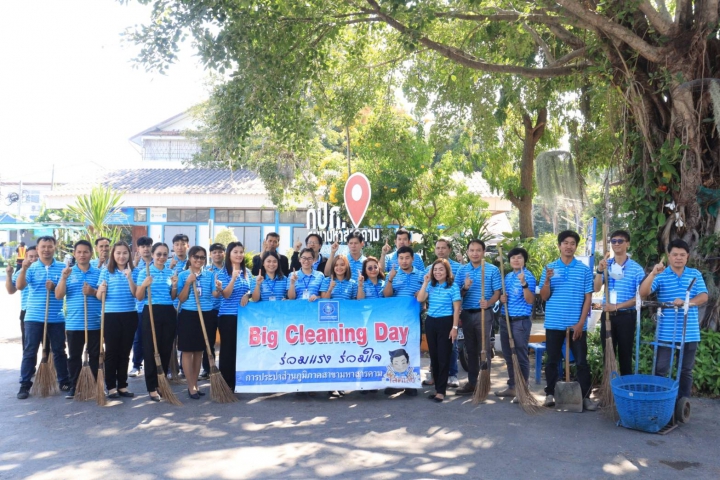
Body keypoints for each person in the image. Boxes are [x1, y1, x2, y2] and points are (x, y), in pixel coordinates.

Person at [639, 239, 708, 400]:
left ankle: (682, 403)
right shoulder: (661, 275)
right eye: (675, 254)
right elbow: (643, 293)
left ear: (687, 256)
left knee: (685, 370)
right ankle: (660, 401)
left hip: (689, 332)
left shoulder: (695, 274)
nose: (678, 258)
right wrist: (653, 273)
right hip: (666, 332)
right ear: (668, 256)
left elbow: (704, 296)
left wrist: (687, 302)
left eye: (682, 255)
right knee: (661, 369)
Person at [538, 230, 597, 411]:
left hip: (576, 324)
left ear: (576, 247)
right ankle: (550, 393)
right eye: (565, 243)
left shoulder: (584, 270)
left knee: (581, 362)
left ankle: (585, 397)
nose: (569, 246)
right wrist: (547, 281)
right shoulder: (549, 268)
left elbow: (588, 298)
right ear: (559, 245)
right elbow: (544, 297)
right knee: (552, 360)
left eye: (572, 243)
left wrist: (581, 323)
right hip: (554, 322)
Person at [15, 236, 70, 399]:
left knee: (59, 350)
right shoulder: (31, 268)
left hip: (56, 318)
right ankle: (25, 384)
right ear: (37, 249)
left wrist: (54, 287)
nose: (46, 249)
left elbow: (63, 292)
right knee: (30, 350)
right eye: (43, 247)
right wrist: (23, 269)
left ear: (55, 248)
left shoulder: (62, 268)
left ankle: (64, 381)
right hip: (33, 317)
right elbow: (20, 286)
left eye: (49, 246)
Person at [593, 230, 645, 376]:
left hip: (626, 316)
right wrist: (599, 271)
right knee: (608, 353)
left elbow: (640, 298)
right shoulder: (606, 265)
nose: (616, 244)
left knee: (625, 355)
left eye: (620, 241)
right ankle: (609, 386)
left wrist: (616, 306)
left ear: (627, 244)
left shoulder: (636, 269)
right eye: (613, 241)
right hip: (607, 316)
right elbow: (596, 288)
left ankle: (625, 387)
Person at [54, 240, 101, 399]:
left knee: (95, 355)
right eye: (79, 252)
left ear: (91, 254)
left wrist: (92, 291)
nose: (82, 255)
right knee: (74, 357)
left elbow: (104, 296)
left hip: (94, 323)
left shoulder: (99, 273)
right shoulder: (68, 272)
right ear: (74, 254)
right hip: (74, 323)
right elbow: (58, 295)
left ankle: (94, 385)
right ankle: (74, 386)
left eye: (85, 252)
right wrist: (63, 279)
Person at [454, 239, 501, 395]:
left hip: (484, 313)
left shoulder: (492, 270)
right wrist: (465, 287)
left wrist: (488, 303)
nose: (475, 253)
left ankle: (484, 383)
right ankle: (473, 383)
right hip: (467, 313)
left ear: (483, 252)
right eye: (472, 250)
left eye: (478, 250)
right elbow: (456, 294)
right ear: (467, 252)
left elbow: (497, 293)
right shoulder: (462, 271)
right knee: (471, 349)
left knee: (484, 348)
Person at [135, 242, 178, 402]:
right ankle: (151, 386)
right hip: (151, 310)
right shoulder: (144, 272)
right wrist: (144, 285)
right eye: (158, 254)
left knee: (166, 348)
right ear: (152, 255)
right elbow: (139, 297)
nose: (161, 257)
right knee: (151, 349)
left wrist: (175, 285)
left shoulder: (170, 272)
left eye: (165, 254)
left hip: (168, 311)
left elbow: (172, 297)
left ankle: (161, 382)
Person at [96, 241, 137, 399]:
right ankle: (111, 386)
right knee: (112, 352)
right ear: (113, 254)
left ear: (129, 255)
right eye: (118, 253)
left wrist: (129, 278)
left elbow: (136, 294)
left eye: (125, 253)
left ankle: (122, 385)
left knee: (125, 352)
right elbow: (99, 297)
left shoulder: (135, 271)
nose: (121, 256)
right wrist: (101, 290)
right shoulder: (106, 271)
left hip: (130, 315)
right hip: (111, 316)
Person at [495, 247, 536, 402]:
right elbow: (504, 298)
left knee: (520, 355)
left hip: (520, 322)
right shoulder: (508, 277)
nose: (516, 260)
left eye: (519, 257)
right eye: (513, 258)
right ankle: (512, 386)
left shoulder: (528, 276)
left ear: (524, 260)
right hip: (505, 320)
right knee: (508, 355)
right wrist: (502, 299)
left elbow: (530, 300)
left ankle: (523, 390)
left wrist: (524, 283)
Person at [417, 259, 461, 403]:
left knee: (443, 357)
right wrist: (425, 282)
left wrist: (454, 328)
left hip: (446, 322)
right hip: (431, 322)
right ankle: (437, 388)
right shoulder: (431, 285)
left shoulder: (453, 286)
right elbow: (420, 299)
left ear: (447, 271)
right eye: (435, 270)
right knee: (434, 357)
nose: (437, 272)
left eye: (441, 269)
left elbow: (457, 309)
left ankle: (441, 392)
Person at [382, 245, 424, 397]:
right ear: (397, 259)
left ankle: (410, 383)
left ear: (412, 259)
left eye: (407, 258)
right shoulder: (392, 275)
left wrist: (422, 293)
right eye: (401, 258)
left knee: (412, 350)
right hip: (396, 320)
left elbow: (426, 295)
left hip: (414, 319)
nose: (404, 261)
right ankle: (396, 383)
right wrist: (390, 279)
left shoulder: (421, 275)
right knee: (396, 351)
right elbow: (387, 295)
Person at [176, 246, 215, 399]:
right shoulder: (183, 275)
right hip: (188, 315)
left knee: (199, 351)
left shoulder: (210, 275)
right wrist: (187, 283)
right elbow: (181, 298)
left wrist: (218, 289)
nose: (199, 260)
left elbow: (214, 294)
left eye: (202, 257)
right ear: (190, 258)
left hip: (206, 314)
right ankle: (190, 386)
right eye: (196, 257)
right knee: (187, 351)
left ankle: (195, 384)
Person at [215, 242, 254, 391]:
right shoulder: (222, 273)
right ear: (229, 254)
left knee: (241, 350)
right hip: (228, 316)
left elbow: (251, 289)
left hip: (244, 317)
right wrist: (232, 279)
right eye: (235, 252)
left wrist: (248, 295)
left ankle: (238, 382)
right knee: (227, 350)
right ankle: (226, 384)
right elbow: (225, 295)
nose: (239, 255)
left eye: (241, 252)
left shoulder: (247, 272)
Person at [424, 237, 462, 388]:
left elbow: (459, 290)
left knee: (451, 347)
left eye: (443, 247)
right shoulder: (430, 268)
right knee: (434, 349)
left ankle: (452, 374)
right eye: (438, 248)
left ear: (449, 250)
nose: (440, 250)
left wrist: (455, 325)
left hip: (450, 314)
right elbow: (425, 292)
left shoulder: (458, 267)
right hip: (434, 315)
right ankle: (435, 375)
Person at [200, 242, 225, 380]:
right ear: (210, 255)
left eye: (220, 251)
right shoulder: (206, 271)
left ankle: (225, 368)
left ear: (224, 253)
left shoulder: (229, 269)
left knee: (226, 341)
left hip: (226, 310)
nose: (217, 254)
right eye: (214, 252)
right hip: (210, 310)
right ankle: (207, 368)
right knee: (208, 340)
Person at [129, 236, 154, 378]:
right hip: (140, 307)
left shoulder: (158, 263)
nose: (146, 249)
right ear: (138, 249)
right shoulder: (135, 267)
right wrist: (134, 265)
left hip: (155, 306)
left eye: (148, 246)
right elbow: (133, 288)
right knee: (138, 337)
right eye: (142, 246)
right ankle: (136, 365)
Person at [6, 246, 38, 348]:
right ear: (26, 257)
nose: (34, 259)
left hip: (43, 311)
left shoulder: (46, 270)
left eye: (36, 256)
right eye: (31, 257)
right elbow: (11, 290)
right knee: (28, 345)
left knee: (47, 345)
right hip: (27, 311)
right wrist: (9, 275)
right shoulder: (20, 273)